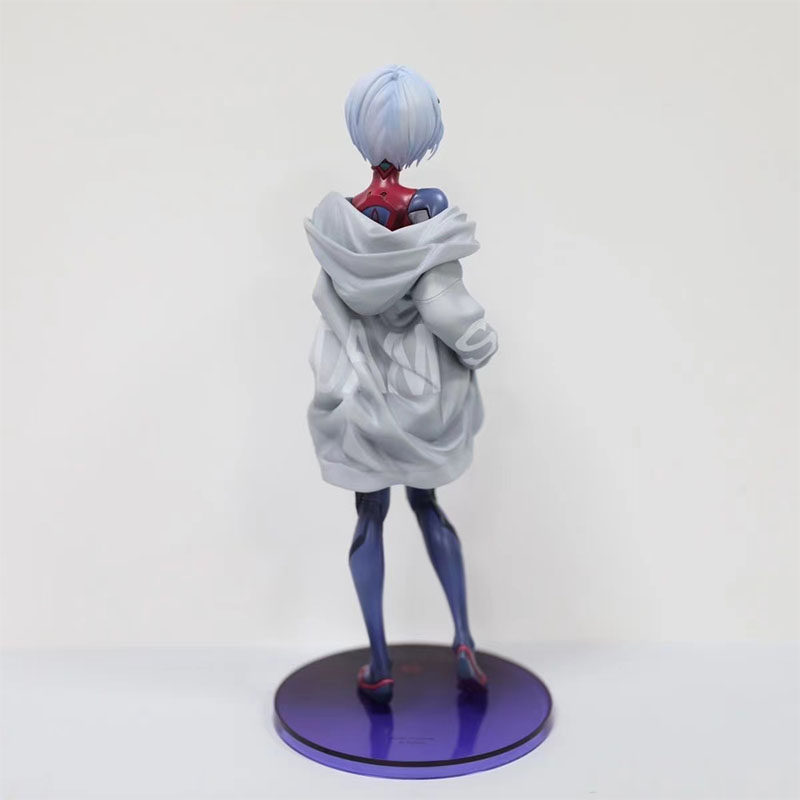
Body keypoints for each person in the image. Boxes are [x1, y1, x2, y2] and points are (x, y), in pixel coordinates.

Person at [304, 65, 498, 704]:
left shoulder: (342, 219)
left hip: (362, 388)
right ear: (422, 131)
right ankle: (463, 638)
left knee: (369, 515)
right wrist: (478, 341)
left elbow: (331, 302)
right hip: (420, 388)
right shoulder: (425, 209)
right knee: (427, 504)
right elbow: (441, 300)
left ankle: (381, 661)